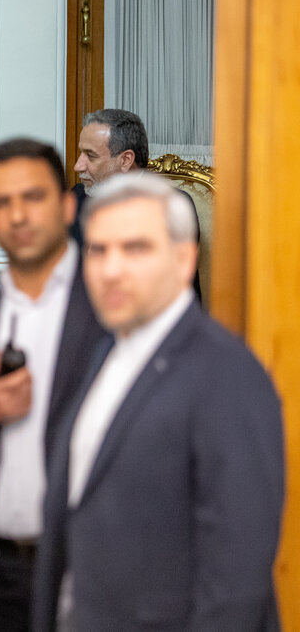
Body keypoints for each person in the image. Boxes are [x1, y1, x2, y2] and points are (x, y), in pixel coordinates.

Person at [32, 173, 284, 632]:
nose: (111, 269)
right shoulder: (104, 352)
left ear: (184, 259)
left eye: (136, 249)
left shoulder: (227, 374)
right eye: (98, 250)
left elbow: (236, 578)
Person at [0, 139, 106, 632]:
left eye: (33, 197)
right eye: (0, 202)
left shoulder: (110, 309)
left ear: (68, 206)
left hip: (90, 568)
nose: (18, 215)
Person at [72, 108, 202, 300]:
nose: (78, 166)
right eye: (81, 154)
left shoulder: (171, 206)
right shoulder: (78, 196)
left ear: (125, 160)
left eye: (90, 156)